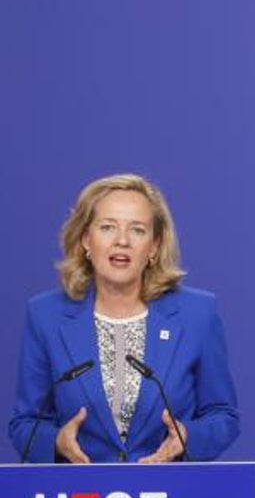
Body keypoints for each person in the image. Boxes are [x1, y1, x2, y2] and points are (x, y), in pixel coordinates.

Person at [8, 174, 240, 463]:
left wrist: (185, 438)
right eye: (107, 227)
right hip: (83, 497)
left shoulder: (197, 314)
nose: (122, 241)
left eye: (137, 230)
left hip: (171, 497)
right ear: (85, 240)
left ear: (154, 246)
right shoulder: (46, 316)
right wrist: (56, 442)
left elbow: (223, 416)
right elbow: (24, 424)